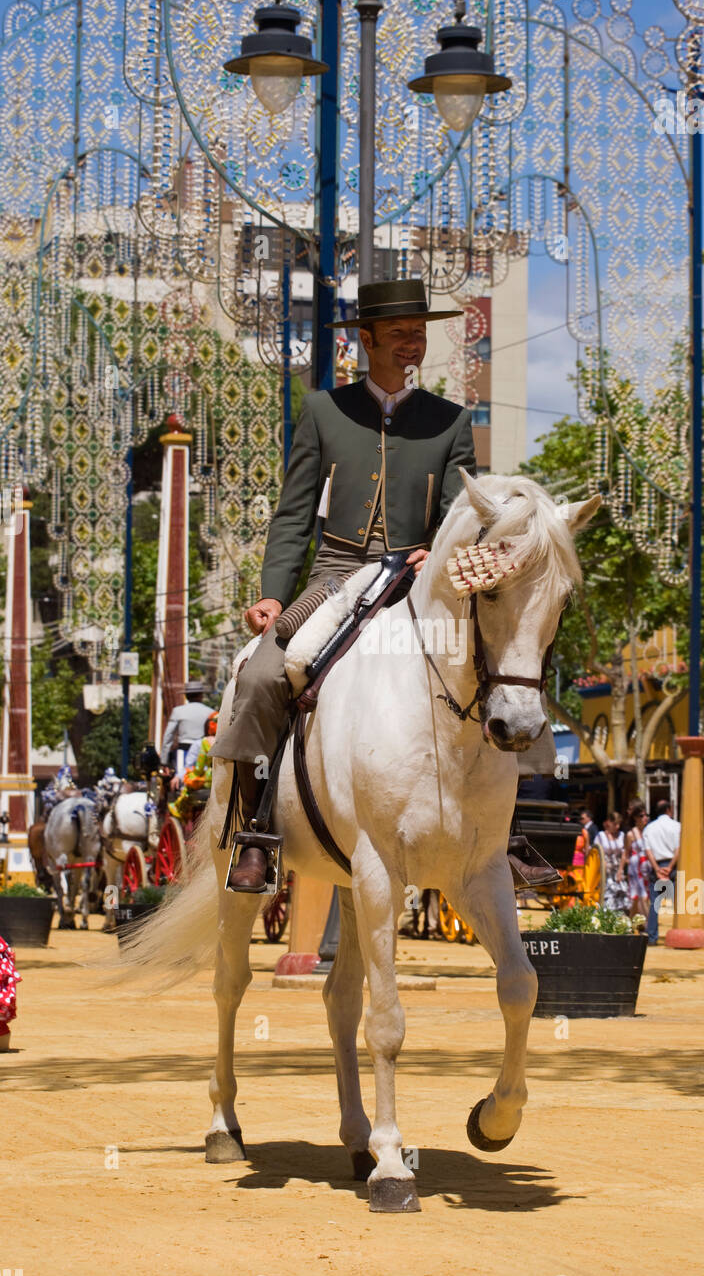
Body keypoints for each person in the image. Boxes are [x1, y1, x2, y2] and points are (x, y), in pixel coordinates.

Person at [212, 277, 477, 891]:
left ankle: (511, 832)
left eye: (421, 332)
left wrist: (432, 554)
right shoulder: (323, 411)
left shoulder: (451, 423)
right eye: (401, 333)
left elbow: (462, 514)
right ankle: (255, 830)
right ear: (366, 339)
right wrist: (275, 592)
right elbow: (294, 513)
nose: (414, 344)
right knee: (258, 675)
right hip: (333, 576)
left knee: (499, 665)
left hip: (414, 579)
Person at [168, 711, 219, 820]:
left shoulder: (205, 742)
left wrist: (190, 776)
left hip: (209, 778)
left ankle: (179, 808)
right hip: (221, 777)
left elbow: (198, 768)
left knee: (190, 781)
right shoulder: (226, 742)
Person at [643, 799, 681, 946]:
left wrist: (657, 869)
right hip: (673, 865)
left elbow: (648, 851)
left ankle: (652, 938)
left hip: (656, 867)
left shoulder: (649, 828)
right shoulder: (677, 826)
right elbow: (679, 849)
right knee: (678, 902)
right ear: (669, 810)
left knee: (654, 904)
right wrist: (670, 867)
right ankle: (677, 935)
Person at [160, 683, 213, 771]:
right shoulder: (210, 712)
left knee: (182, 778)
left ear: (186, 696)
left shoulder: (178, 711)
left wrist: (164, 761)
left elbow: (168, 736)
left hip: (183, 752)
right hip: (203, 751)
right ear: (201, 695)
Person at [624, 800, 651, 932]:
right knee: (643, 896)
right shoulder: (631, 834)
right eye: (641, 816)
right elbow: (626, 853)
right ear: (635, 818)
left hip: (646, 867)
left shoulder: (648, 831)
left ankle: (629, 923)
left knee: (636, 899)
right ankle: (648, 925)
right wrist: (620, 871)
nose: (645, 818)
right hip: (635, 869)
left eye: (646, 815)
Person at [595, 811, 629, 913]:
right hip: (605, 869)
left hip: (618, 868)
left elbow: (624, 853)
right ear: (609, 822)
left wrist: (620, 870)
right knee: (607, 892)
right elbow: (595, 852)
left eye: (619, 824)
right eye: (615, 824)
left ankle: (620, 915)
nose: (617, 827)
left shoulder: (622, 835)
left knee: (620, 891)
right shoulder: (601, 836)